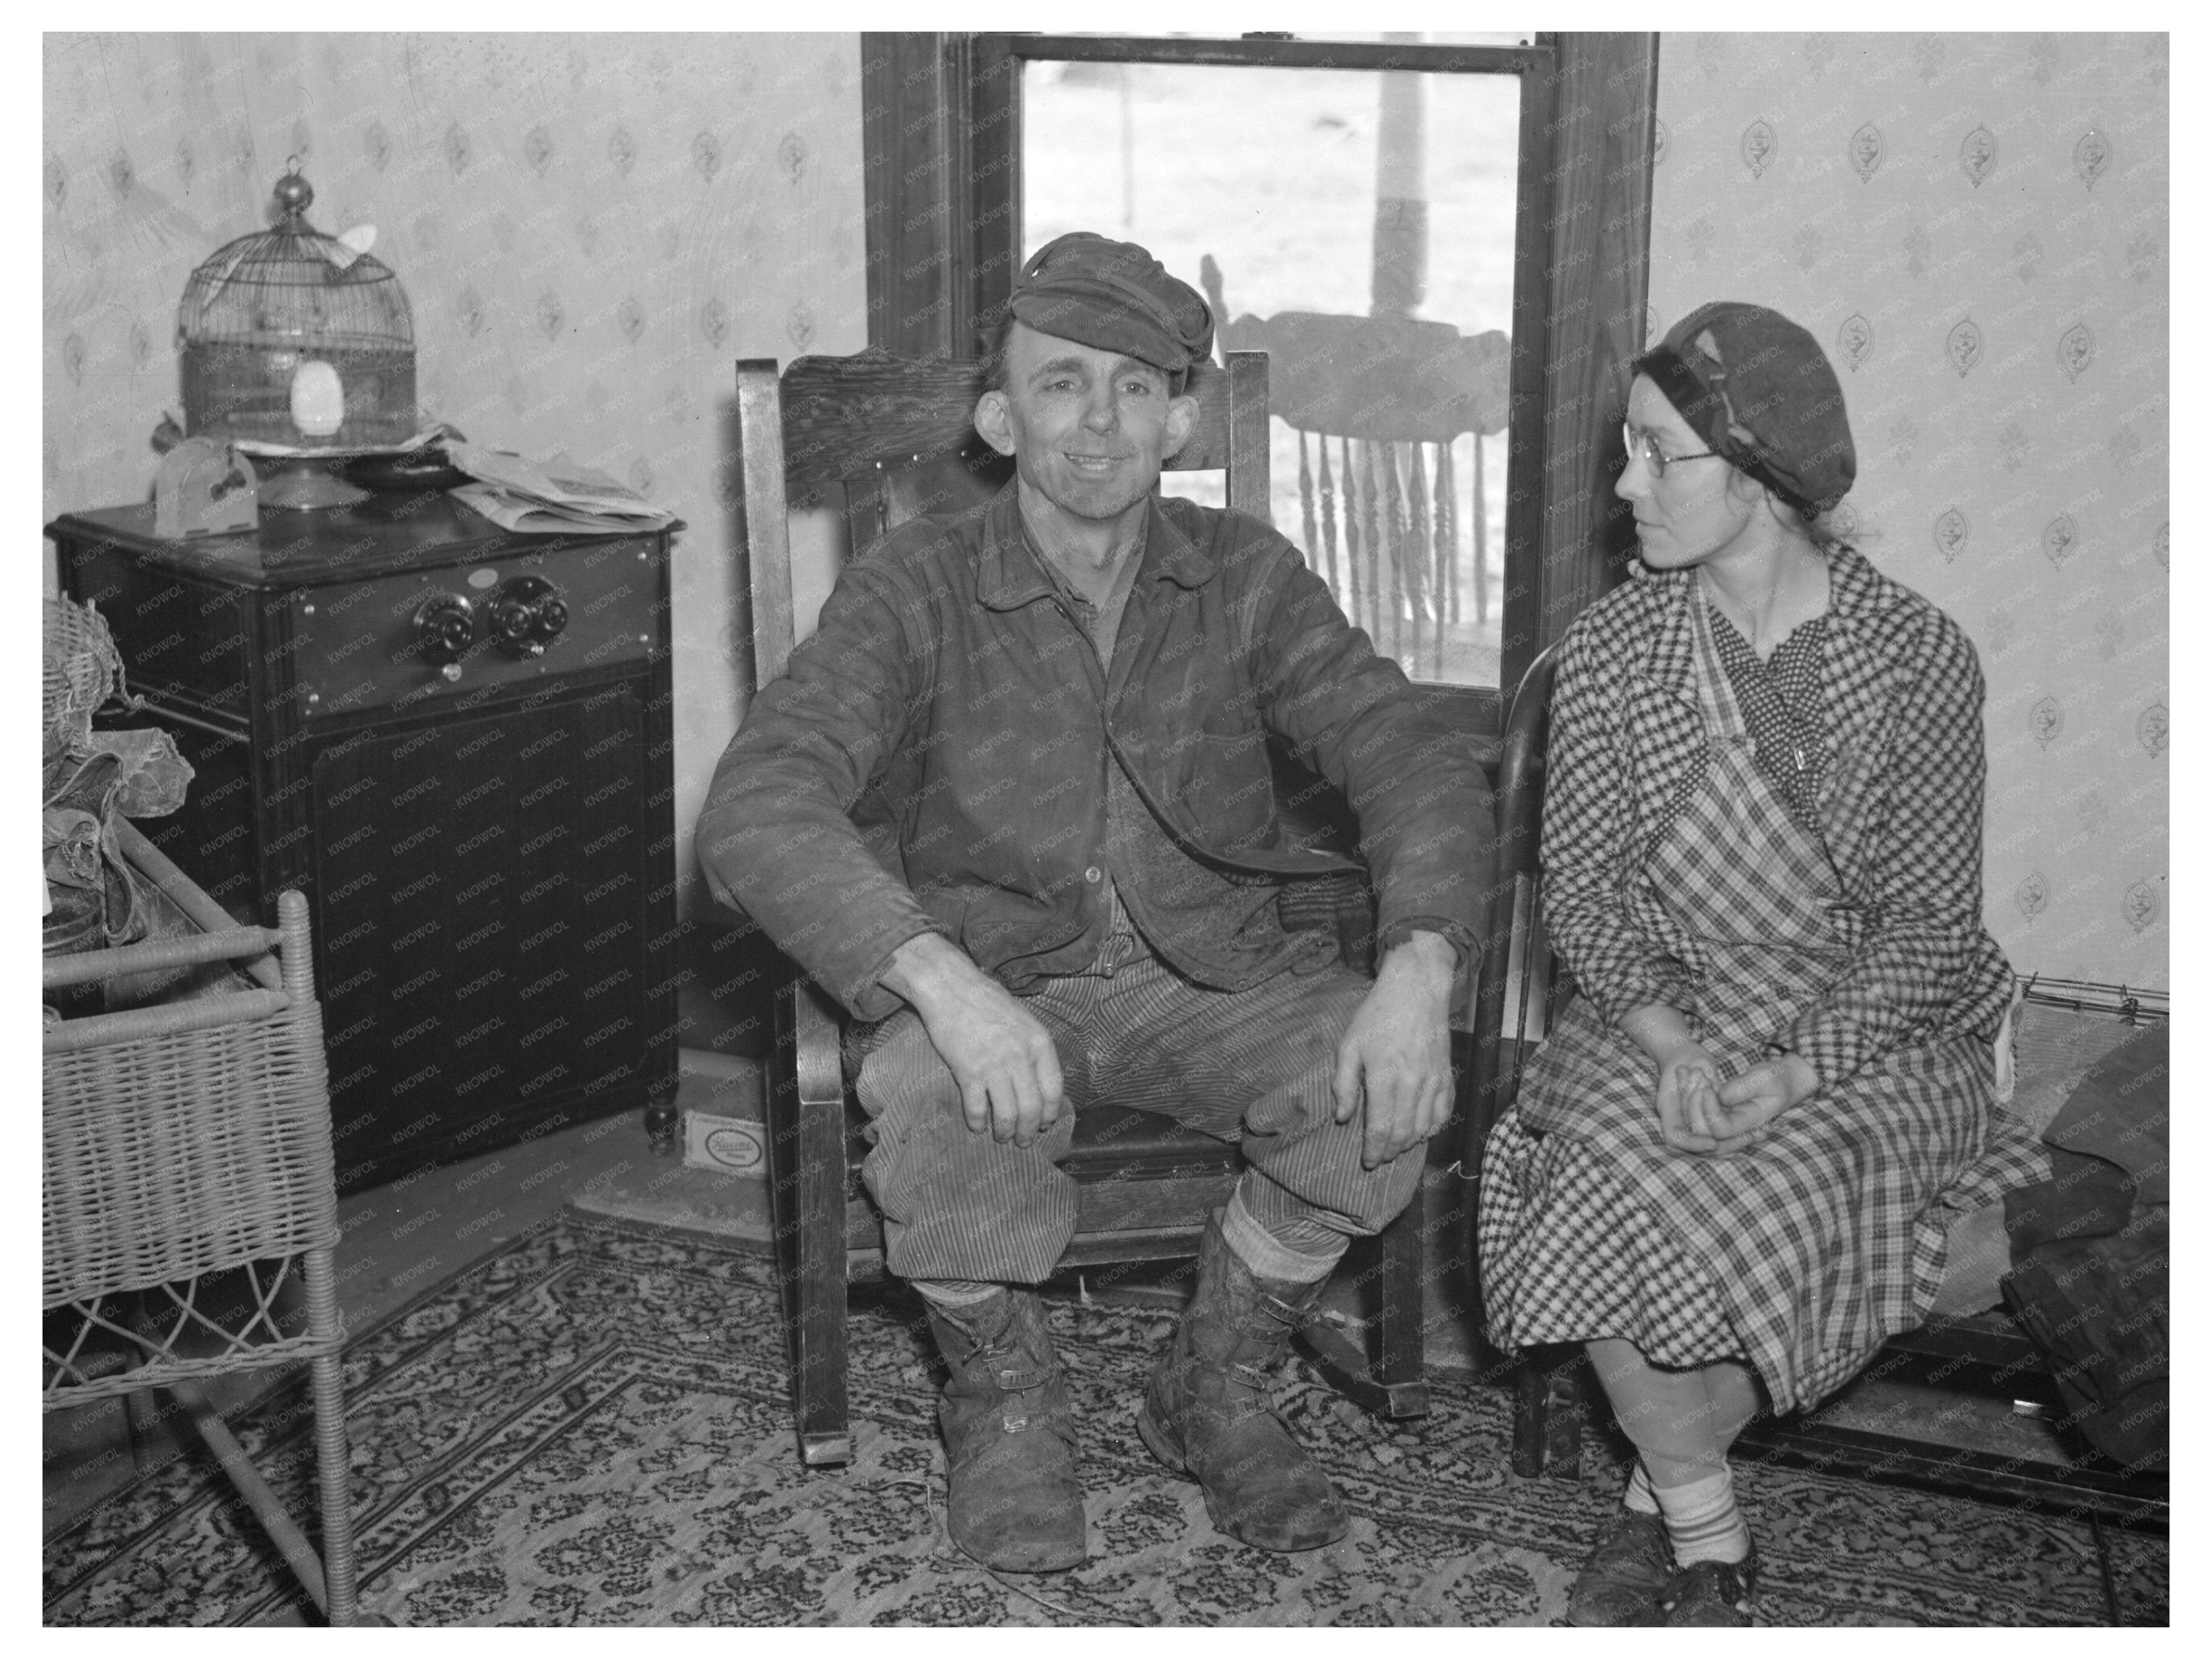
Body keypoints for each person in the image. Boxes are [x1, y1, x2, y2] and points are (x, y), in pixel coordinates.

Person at [697, 232, 1492, 1574]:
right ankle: (1001, 1394)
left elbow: (1404, 749)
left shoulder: (1245, 573)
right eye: (1061, 385)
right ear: (1001, 418)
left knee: (1375, 1086)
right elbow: (757, 806)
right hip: (995, 975)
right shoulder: (917, 585)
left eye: (1135, 386)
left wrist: (1420, 970)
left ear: (1183, 418)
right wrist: (941, 986)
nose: (1099, 422)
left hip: (1219, 975)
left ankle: (1213, 1377)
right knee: (937, 1099)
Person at [1476, 302, 2047, 1626]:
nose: (1626, 486)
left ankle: (1655, 1499)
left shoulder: (1920, 658)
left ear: (1764, 473)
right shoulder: (1617, 650)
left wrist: (1797, 1074)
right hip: (1659, 1006)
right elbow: (1590, 905)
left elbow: (1930, 934)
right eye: (1628, 448)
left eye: (1659, 454)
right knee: (1593, 1171)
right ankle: (1707, 1529)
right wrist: (1672, 1048)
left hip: (1874, 1018)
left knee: (1787, 1185)